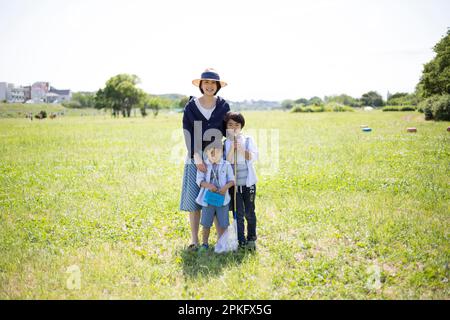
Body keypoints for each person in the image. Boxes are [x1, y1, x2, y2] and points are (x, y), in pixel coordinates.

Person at [180, 68, 230, 250]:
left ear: (217, 86)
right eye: (206, 82)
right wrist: (197, 157)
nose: (209, 86)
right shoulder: (191, 107)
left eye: (213, 83)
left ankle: (220, 241)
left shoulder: (223, 106)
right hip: (195, 157)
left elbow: (228, 131)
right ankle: (194, 239)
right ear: (201, 85)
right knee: (195, 199)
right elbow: (188, 133)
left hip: (217, 158)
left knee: (215, 196)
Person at [224, 112, 259, 250]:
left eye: (237, 125)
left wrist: (242, 148)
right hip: (235, 186)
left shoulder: (248, 140)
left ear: (241, 126)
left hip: (248, 184)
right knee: (237, 213)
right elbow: (226, 162)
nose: (233, 128)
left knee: (249, 211)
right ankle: (241, 239)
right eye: (230, 125)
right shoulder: (226, 143)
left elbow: (252, 157)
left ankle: (251, 237)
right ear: (226, 127)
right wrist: (232, 148)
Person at [195, 144, 235, 252]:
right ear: (206, 153)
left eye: (216, 152)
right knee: (206, 223)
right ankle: (205, 244)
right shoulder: (204, 165)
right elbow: (199, 180)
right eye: (211, 152)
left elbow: (232, 180)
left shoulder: (226, 165)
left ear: (222, 153)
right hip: (208, 199)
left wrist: (225, 187)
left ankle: (222, 244)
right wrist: (209, 186)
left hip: (222, 198)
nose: (213, 155)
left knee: (223, 223)